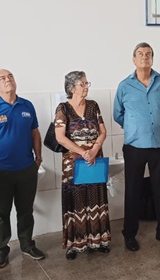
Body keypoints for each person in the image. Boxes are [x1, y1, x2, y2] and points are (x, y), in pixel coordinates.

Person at [113, 42, 160, 251]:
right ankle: (129, 234)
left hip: (159, 144)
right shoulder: (125, 86)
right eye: (140, 54)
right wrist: (135, 127)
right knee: (133, 190)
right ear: (133, 59)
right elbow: (118, 114)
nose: (145, 57)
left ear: (153, 59)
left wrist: (157, 125)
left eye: (148, 54)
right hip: (134, 146)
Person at [0, 69, 45, 268]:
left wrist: (38, 159)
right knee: (1, 213)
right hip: (0, 172)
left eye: (10, 76)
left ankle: (27, 244)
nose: (7, 80)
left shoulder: (27, 106)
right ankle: (2, 250)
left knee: (25, 211)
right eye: (2, 78)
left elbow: (35, 134)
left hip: (26, 169)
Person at [54, 71, 111, 260]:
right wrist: (82, 151)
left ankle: (98, 241)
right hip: (74, 163)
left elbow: (102, 131)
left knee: (96, 198)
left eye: (87, 83)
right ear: (72, 88)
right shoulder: (63, 108)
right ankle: (75, 244)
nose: (87, 86)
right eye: (83, 84)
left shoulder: (93, 106)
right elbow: (60, 137)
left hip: (94, 159)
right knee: (76, 202)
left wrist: (94, 149)